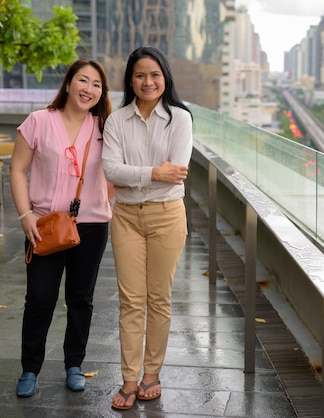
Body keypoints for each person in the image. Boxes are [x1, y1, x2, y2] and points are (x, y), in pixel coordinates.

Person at [10, 58, 113, 398]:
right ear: (68, 84)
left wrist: (102, 202)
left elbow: (114, 172)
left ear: (102, 92)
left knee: (80, 298)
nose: (89, 89)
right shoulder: (38, 121)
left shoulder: (105, 127)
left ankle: (74, 364)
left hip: (92, 226)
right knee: (39, 298)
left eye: (96, 84)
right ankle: (30, 368)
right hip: (45, 225)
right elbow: (17, 169)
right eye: (83, 81)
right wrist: (26, 215)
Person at [102, 46, 193, 411]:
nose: (148, 81)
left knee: (159, 298)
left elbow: (179, 170)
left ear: (165, 77)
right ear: (130, 80)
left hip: (166, 215)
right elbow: (110, 170)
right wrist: (155, 172)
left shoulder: (180, 119)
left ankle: (151, 374)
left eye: (154, 74)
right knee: (131, 301)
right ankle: (128, 379)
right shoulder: (116, 120)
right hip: (125, 216)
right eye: (140, 75)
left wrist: (136, 176)